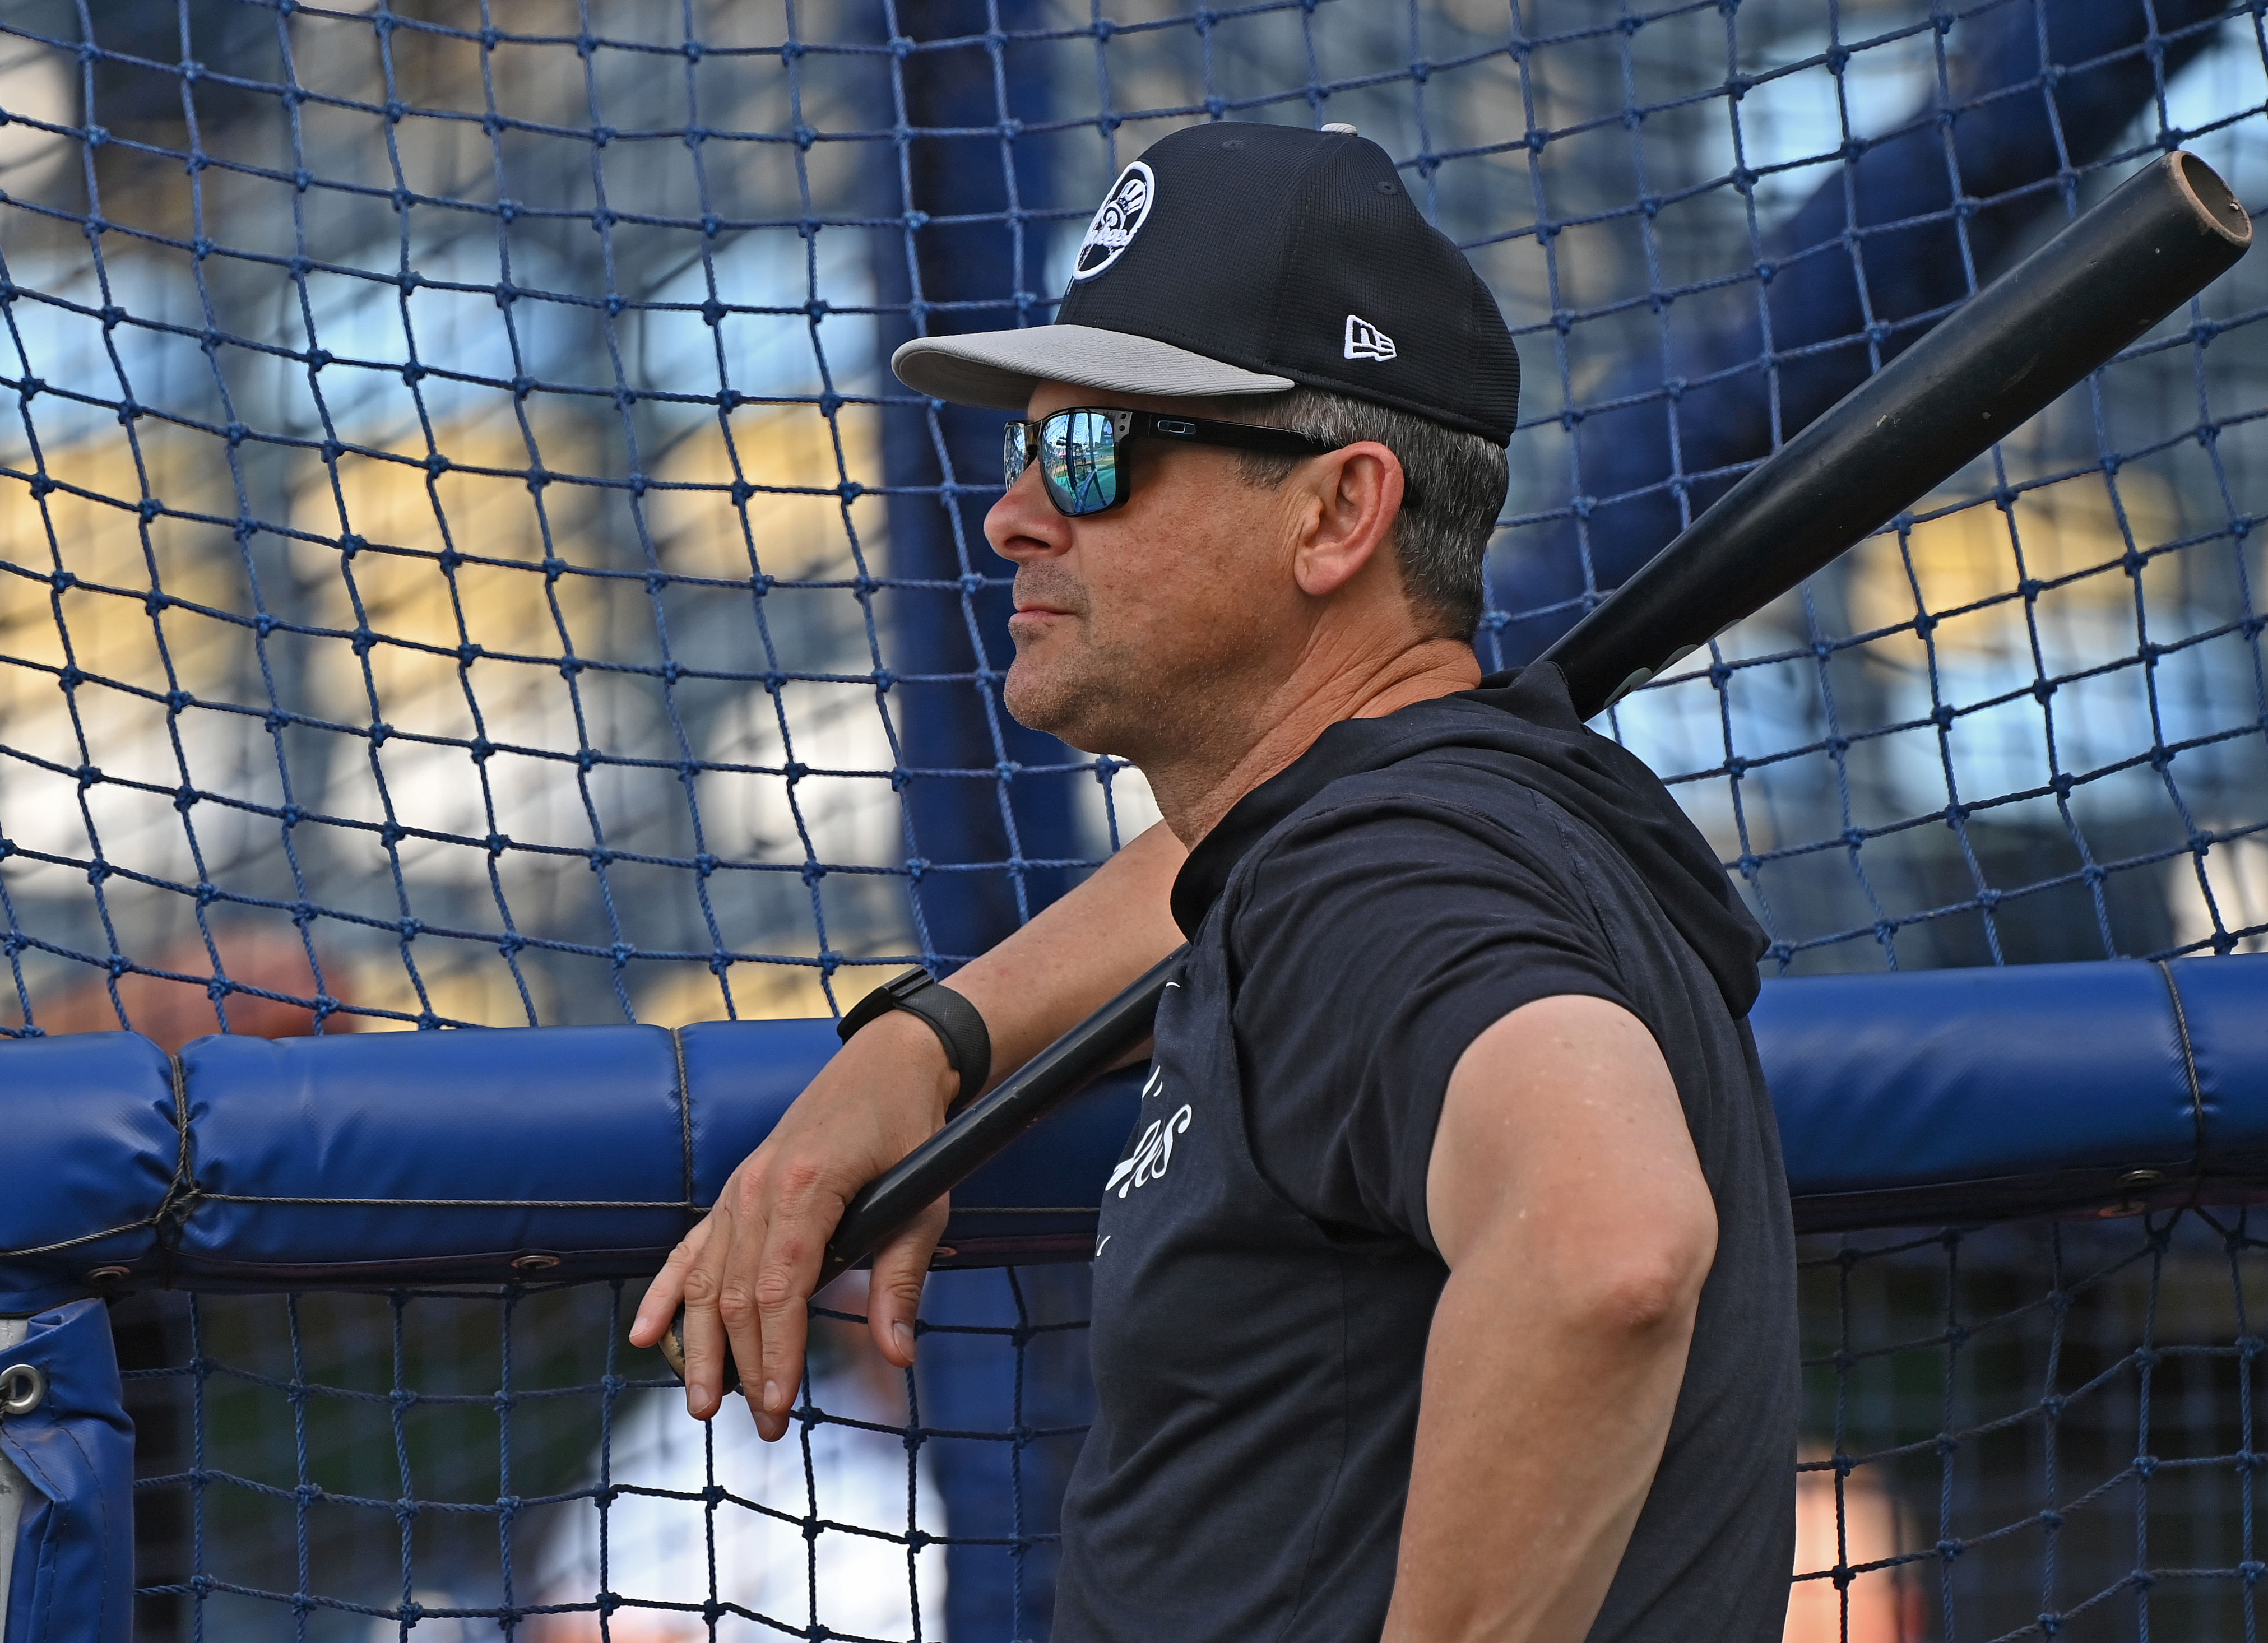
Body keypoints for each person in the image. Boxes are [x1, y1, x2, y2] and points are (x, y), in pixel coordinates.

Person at [633, 120, 1798, 1642]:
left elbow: (1606, 1248)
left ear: (1335, 512)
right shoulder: (1403, 830)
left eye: (1097, 451)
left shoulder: (1380, 874)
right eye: (1024, 446)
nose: (1015, 515)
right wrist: (931, 1039)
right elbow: (1226, 867)